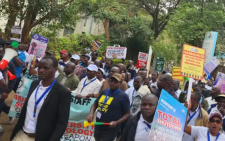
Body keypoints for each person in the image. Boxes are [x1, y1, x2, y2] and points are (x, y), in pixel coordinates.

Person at [11, 56, 71, 141]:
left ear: (55, 70)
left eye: (46, 68)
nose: (41, 70)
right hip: (21, 134)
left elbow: (62, 123)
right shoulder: (34, 84)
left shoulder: (62, 92)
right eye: (39, 67)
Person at [86, 73, 130, 141]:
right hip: (98, 125)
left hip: (110, 129)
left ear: (120, 83)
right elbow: (95, 104)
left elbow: (127, 114)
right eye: (111, 80)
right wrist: (91, 114)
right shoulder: (104, 92)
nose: (112, 82)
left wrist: (117, 122)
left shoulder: (123, 96)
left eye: (115, 81)